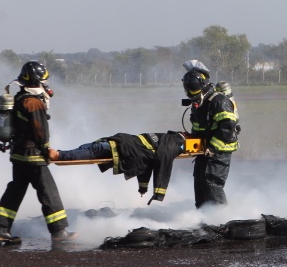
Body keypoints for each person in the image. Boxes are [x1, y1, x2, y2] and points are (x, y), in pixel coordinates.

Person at [0, 61, 78, 244]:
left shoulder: (19, 97)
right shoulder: (34, 103)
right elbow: (41, 131)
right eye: (43, 81)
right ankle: (58, 231)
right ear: (37, 81)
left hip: (18, 154)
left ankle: (2, 230)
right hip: (33, 155)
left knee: (15, 190)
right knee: (48, 191)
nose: (45, 85)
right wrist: (46, 149)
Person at [48, 131, 187, 205]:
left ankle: (59, 153)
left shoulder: (166, 137)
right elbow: (164, 163)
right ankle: (59, 155)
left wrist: (143, 187)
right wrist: (159, 193)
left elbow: (149, 163)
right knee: (94, 150)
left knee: (93, 147)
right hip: (123, 147)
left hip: (121, 141)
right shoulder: (174, 143)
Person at [182, 60, 240, 208]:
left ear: (202, 85)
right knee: (200, 180)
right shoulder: (200, 103)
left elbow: (227, 127)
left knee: (211, 182)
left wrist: (213, 148)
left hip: (220, 150)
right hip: (204, 150)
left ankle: (221, 219)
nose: (193, 99)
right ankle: (204, 217)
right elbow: (199, 126)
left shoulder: (219, 101)